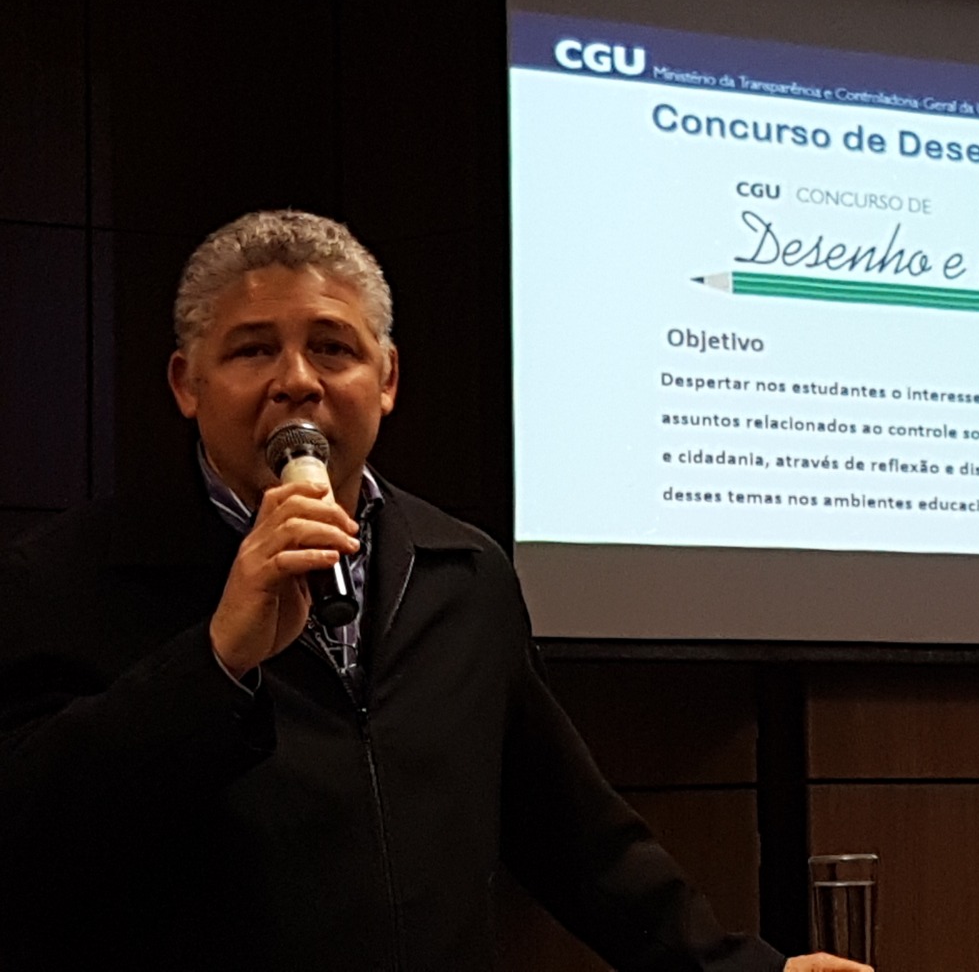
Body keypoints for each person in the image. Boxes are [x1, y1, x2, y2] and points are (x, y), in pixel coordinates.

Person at [0, 210, 871, 971]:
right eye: (254, 348)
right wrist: (216, 661)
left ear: (386, 380)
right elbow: (30, 836)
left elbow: (571, 832)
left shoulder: (462, 572)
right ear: (187, 385)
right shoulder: (70, 577)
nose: (297, 379)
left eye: (332, 347)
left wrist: (741, 968)